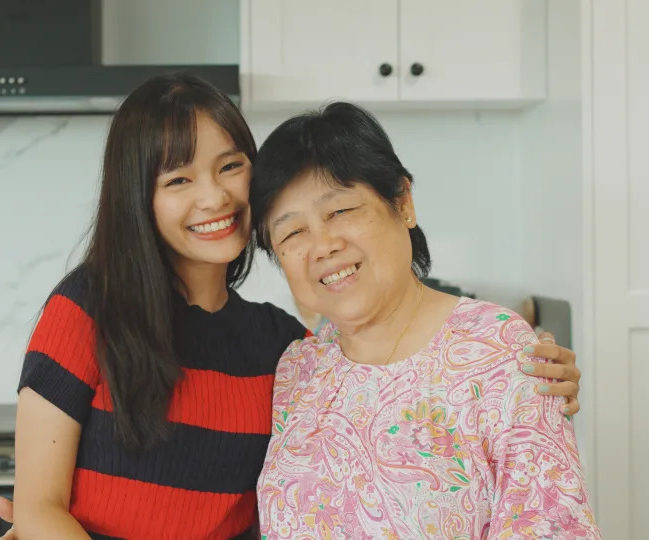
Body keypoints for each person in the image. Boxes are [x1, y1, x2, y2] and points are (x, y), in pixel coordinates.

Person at [0, 74, 584, 539]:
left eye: (230, 167)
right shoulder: (95, 308)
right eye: (177, 180)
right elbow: (40, 509)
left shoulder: (284, 349)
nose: (213, 195)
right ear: (138, 198)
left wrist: (529, 373)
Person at [250, 102, 599, 538]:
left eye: (340, 211)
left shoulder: (498, 350)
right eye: (292, 232)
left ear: (403, 202)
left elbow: (552, 526)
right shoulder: (296, 369)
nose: (322, 245)